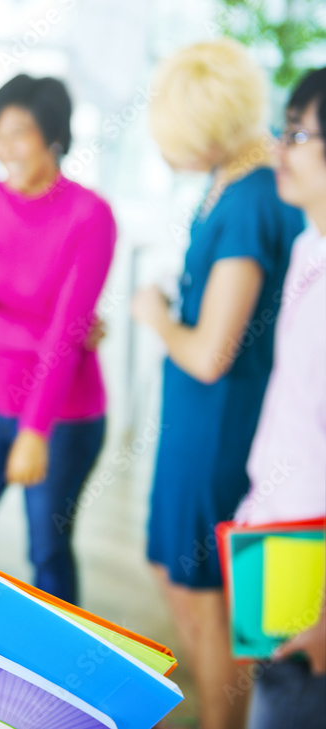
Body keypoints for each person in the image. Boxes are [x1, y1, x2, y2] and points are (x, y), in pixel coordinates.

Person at [133, 40, 305, 729]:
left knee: (211, 592)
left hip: (220, 426)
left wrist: (155, 316)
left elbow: (209, 354)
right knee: (178, 575)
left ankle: (222, 722)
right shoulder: (236, 182)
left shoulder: (249, 200)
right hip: (200, 422)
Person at [0, 75, 116, 605]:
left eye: (19, 132)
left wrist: (34, 430)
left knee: (47, 549)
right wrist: (43, 334)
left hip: (63, 415)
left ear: (54, 137)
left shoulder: (90, 215)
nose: (4, 148)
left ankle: (62, 675)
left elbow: (68, 343)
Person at [232, 66, 326, 729]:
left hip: (314, 559)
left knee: (289, 704)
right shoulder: (305, 244)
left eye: (296, 134)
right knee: (272, 690)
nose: (277, 150)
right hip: (277, 528)